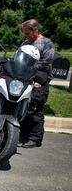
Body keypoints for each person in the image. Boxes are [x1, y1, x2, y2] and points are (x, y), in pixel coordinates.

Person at [20, 19, 55, 148]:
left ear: (35, 30)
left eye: (27, 33)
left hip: (40, 80)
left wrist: (30, 65)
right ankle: (23, 134)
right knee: (24, 107)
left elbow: (46, 63)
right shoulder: (26, 43)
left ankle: (35, 138)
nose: (26, 36)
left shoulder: (46, 43)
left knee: (35, 109)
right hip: (25, 79)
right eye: (24, 33)